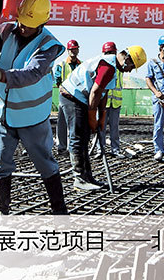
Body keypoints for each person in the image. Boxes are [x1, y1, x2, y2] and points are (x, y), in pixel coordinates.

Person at [0, 0, 68, 213]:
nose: (22, 28)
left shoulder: (49, 45)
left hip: (32, 117)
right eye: (21, 21)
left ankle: (59, 210)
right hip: (3, 113)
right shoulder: (7, 30)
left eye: (29, 25)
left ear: (42, 23)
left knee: (45, 163)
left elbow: (32, 73)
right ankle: (1, 210)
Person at [60, 38, 147, 190]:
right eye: (132, 67)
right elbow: (95, 92)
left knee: (85, 137)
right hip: (72, 95)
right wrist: (92, 117)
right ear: (127, 59)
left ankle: (87, 177)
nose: (130, 71)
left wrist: (102, 116)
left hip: (82, 97)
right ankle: (79, 179)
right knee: (78, 136)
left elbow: (103, 93)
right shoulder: (108, 66)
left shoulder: (113, 67)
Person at [52, 40, 80, 154]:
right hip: (64, 96)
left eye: (75, 49)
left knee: (75, 123)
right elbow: (58, 80)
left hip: (77, 97)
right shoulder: (61, 65)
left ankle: (73, 147)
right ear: (68, 51)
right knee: (62, 122)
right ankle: (62, 147)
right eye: (71, 49)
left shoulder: (81, 65)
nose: (73, 51)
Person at [101, 41, 123, 158]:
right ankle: (101, 149)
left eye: (112, 53)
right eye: (108, 53)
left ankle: (115, 149)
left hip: (115, 102)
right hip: (103, 102)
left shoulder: (119, 67)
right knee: (101, 127)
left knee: (114, 128)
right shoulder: (101, 66)